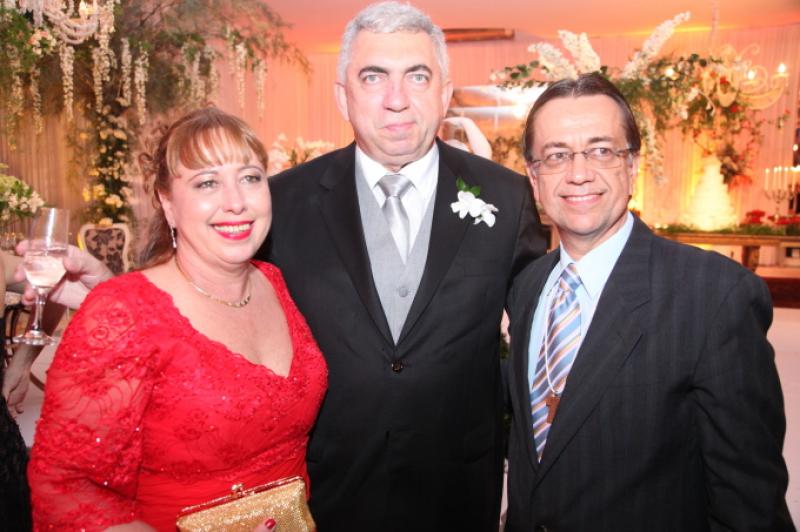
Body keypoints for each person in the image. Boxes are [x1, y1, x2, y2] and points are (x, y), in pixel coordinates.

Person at [259, 2, 546, 530]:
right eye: (373, 77)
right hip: (327, 489)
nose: (396, 99)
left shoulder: (507, 198)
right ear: (343, 97)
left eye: (417, 76)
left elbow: (538, 335)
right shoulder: (283, 202)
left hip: (459, 490)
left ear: (444, 93)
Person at [505, 73, 793, 531]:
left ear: (632, 166)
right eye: (557, 155)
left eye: (601, 150)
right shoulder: (527, 287)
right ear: (535, 178)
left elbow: (749, 503)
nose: (578, 173)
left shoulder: (715, 296)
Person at [27, 107, 327, 530]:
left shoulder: (274, 282)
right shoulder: (120, 313)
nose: (236, 202)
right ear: (167, 203)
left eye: (250, 177)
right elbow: (65, 486)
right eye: (207, 182)